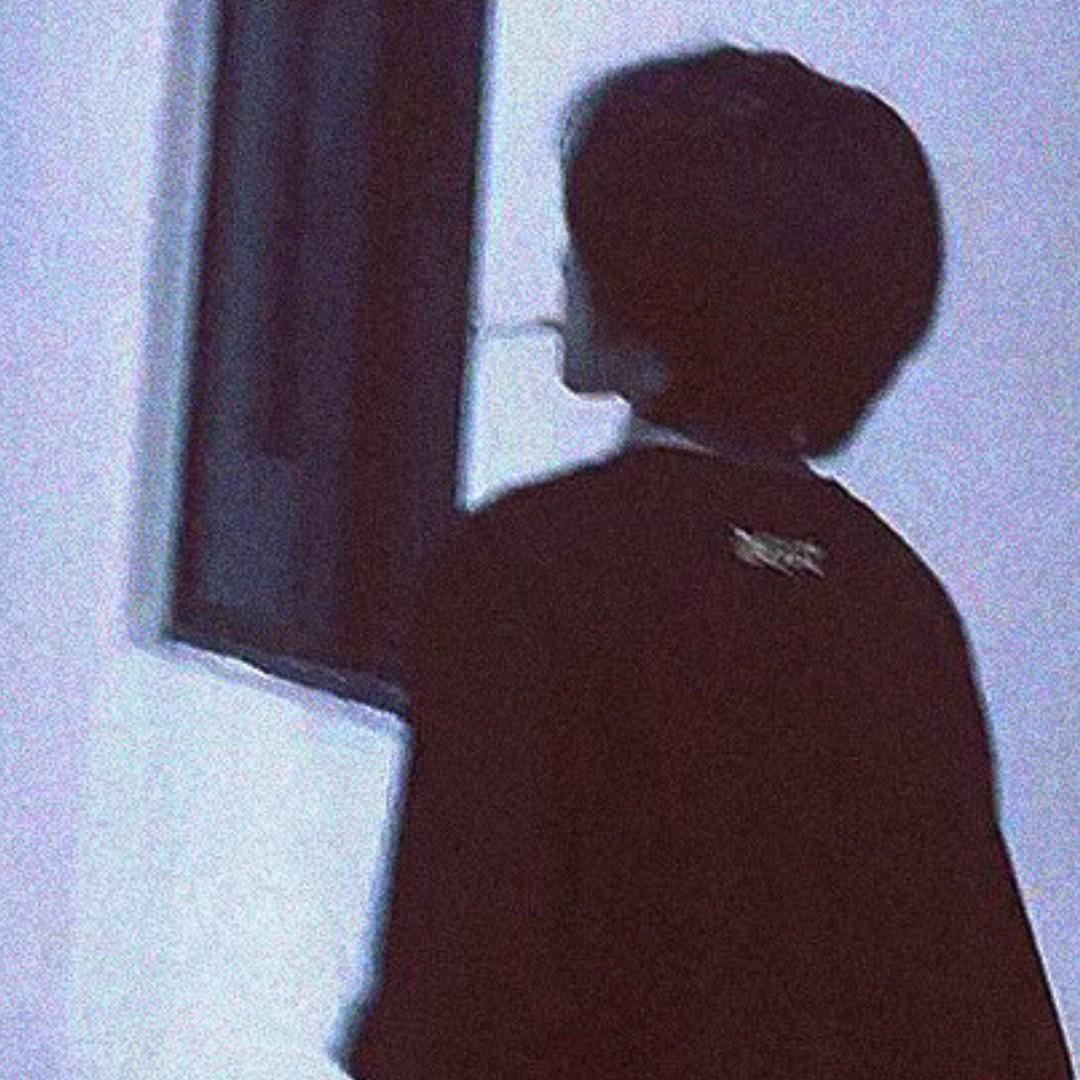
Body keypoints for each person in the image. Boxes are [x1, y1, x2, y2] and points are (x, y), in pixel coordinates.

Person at [334, 45, 1074, 1078]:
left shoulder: (524, 568)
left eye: (592, 234)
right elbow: (987, 1021)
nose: (567, 267)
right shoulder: (897, 603)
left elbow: (450, 1004)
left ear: (659, 283)